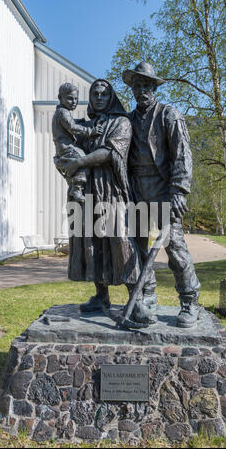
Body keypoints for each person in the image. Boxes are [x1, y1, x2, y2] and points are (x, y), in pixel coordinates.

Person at [60, 79, 153, 324]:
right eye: (94, 94)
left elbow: (111, 153)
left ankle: (136, 299)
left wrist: (79, 162)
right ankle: (101, 296)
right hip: (88, 190)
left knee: (120, 240)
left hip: (112, 189)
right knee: (91, 243)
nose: (99, 97)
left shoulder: (122, 123)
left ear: (111, 97)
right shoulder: (85, 125)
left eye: (103, 94)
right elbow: (68, 146)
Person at [122, 62, 201, 328]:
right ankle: (147, 297)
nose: (141, 90)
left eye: (146, 85)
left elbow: (182, 155)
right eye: (137, 85)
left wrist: (179, 191)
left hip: (163, 190)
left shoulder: (169, 115)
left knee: (175, 247)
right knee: (138, 249)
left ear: (154, 87)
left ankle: (190, 301)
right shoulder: (128, 120)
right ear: (132, 89)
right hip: (136, 191)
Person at [52, 83, 103, 202]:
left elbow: (69, 123)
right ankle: (76, 188)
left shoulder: (61, 112)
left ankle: (74, 185)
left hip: (64, 146)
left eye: (76, 99)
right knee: (83, 161)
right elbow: (72, 127)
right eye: (70, 98)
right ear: (60, 98)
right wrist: (91, 131)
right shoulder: (62, 112)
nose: (74, 102)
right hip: (66, 147)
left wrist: (79, 121)